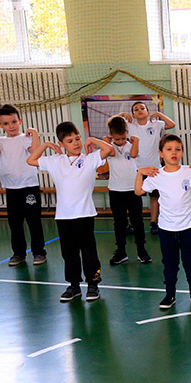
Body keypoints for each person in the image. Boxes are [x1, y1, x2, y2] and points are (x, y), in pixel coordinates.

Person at [27, 123, 114, 302]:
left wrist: (92, 140)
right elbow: (31, 160)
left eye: (77, 139)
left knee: (89, 252)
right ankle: (74, 285)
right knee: (69, 254)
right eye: (69, 141)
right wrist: (45, 146)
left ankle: (93, 284)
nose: (75, 143)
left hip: (85, 215)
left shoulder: (90, 159)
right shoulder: (54, 161)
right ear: (62, 143)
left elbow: (109, 149)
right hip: (64, 217)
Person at [136, 133, 191, 309]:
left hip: (189, 227)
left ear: (182, 153)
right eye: (169, 149)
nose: (174, 153)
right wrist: (140, 172)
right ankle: (170, 295)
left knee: (190, 262)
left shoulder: (189, 172)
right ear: (161, 154)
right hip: (167, 229)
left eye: (178, 149)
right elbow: (138, 191)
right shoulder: (157, 175)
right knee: (170, 264)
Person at [0, 104, 47, 266]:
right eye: (5, 123)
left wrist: (34, 133)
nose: (10, 126)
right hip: (11, 188)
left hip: (29, 186)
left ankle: (39, 252)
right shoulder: (1, 142)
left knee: (33, 221)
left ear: (19, 121)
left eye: (13, 122)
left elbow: (35, 150)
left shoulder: (25, 138)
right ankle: (18, 253)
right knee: (15, 222)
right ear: (0, 125)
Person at [102, 115, 150, 266]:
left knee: (138, 221)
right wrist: (107, 141)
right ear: (111, 135)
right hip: (116, 190)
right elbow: (111, 153)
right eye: (117, 139)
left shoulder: (131, 145)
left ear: (127, 132)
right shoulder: (109, 147)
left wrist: (136, 141)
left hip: (133, 189)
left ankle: (141, 250)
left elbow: (134, 154)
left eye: (123, 138)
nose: (121, 141)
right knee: (119, 223)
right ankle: (121, 252)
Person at [122, 101, 176, 235]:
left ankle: (153, 222)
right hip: (136, 168)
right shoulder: (129, 126)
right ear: (133, 115)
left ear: (147, 112)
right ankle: (134, 222)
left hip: (154, 168)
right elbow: (111, 124)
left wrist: (159, 114)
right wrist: (122, 115)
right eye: (136, 109)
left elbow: (171, 124)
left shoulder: (156, 125)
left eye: (142, 108)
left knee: (154, 197)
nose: (139, 110)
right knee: (135, 198)